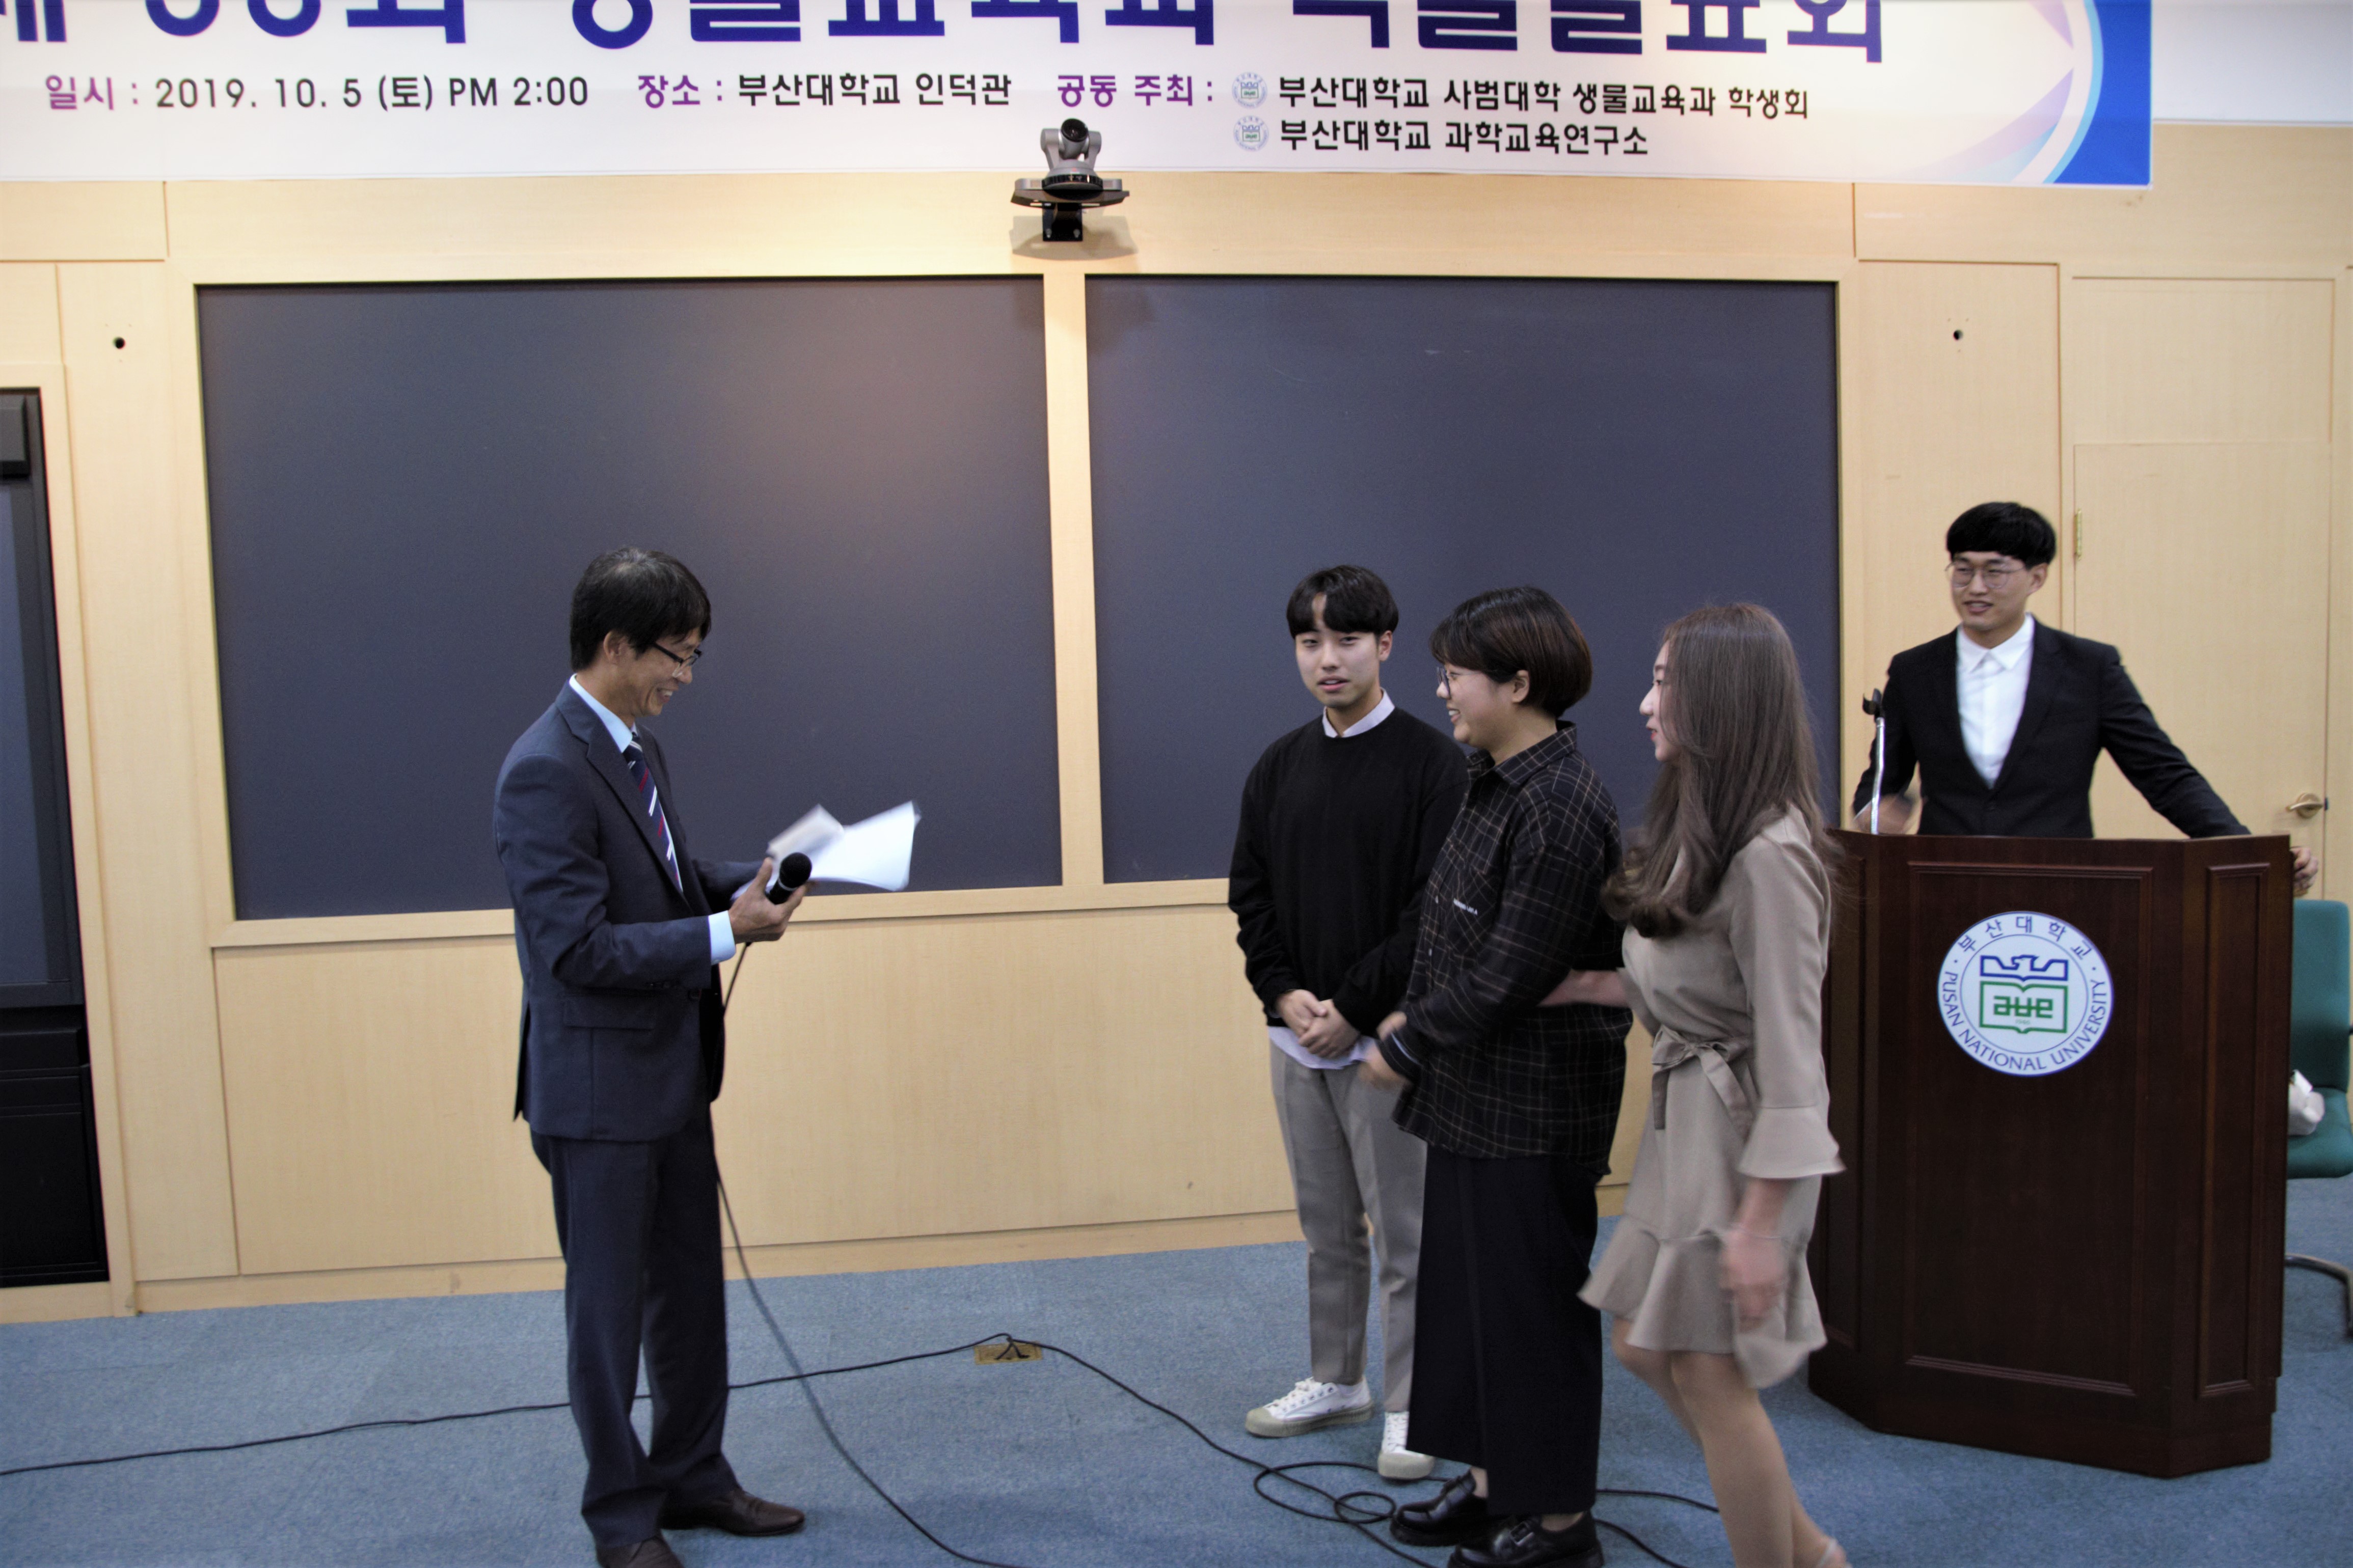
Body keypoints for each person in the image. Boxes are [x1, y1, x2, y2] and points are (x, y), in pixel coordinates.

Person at [494, 549, 808, 1568]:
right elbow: (577, 949)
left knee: (689, 1292)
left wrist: (748, 878)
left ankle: (693, 1476)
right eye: (677, 654)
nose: (684, 675)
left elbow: (662, 880)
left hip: (671, 1077)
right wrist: (726, 932)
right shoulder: (544, 768)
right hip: (596, 1097)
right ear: (616, 645)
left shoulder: (634, 747)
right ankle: (623, 1519)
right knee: (607, 1318)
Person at [1568, 603, 1849, 1568]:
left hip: (1741, 1137)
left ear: (1719, 702)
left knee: (1705, 1367)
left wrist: (1761, 1222)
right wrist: (1575, 985)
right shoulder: (1701, 826)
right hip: (1681, 1123)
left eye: (1664, 684)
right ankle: (1810, 1554)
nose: (1646, 704)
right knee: (1644, 1345)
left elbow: (1794, 1055)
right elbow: (1687, 977)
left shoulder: (1771, 854)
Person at [1362, 586, 1632, 1568]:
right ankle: (1488, 1487)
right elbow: (1454, 929)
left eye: (1455, 674)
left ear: (1517, 684)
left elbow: (1516, 966)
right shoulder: (1492, 779)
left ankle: (1558, 1524)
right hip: (1474, 1094)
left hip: (1534, 1104)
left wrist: (1407, 1040)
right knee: (1470, 1306)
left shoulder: (1559, 804)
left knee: (1530, 1316)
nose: (1441, 689)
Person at [1228, 565, 1468, 1480]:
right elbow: (1250, 897)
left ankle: (1412, 1403)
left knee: (1405, 1233)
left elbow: (1430, 911)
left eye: (1346, 640)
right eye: (1309, 641)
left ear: (1385, 644)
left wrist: (1353, 1010)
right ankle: (1337, 1378)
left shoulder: (1434, 764)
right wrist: (1284, 992)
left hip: (1384, 1046)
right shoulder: (1277, 765)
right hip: (1295, 1038)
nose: (1326, 659)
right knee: (1325, 1226)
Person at [1854, 501, 2316, 892]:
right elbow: (1882, 778)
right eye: (1962, 570)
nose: (1975, 587)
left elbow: (2163, 774)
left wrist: (2248, 855)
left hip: (2061, 886)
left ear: (2036, 577)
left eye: (1994, 572)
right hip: (1942, 884)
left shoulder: (2088, 668)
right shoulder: (1914, 671)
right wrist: (1874, 815)